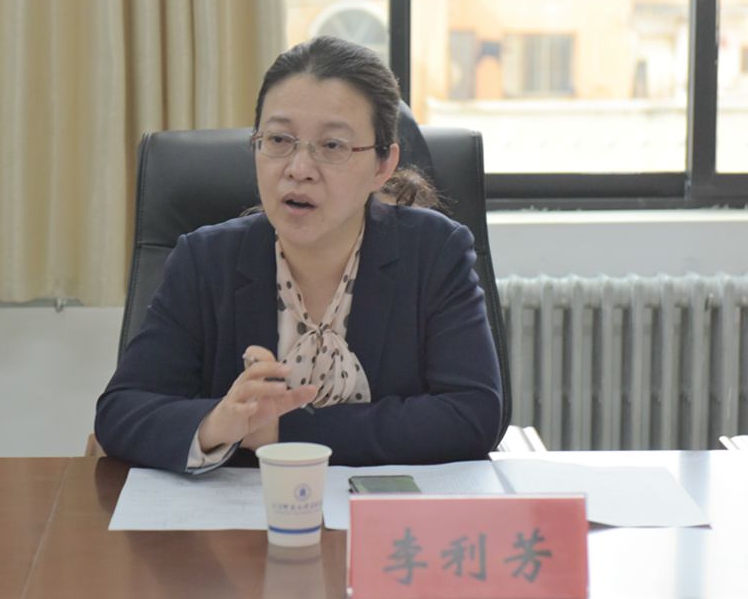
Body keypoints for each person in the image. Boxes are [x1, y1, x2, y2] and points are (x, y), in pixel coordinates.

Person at [95, 36, 502, 473]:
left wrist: (280, 431)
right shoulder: (205, 260)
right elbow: (122, 411)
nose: (298, 169)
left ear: (383, 165)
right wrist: (219, 423)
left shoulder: (435, 252)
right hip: (246, 513)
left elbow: (472, 414)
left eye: (332, 146)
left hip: (382, 512)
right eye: (279, 139)